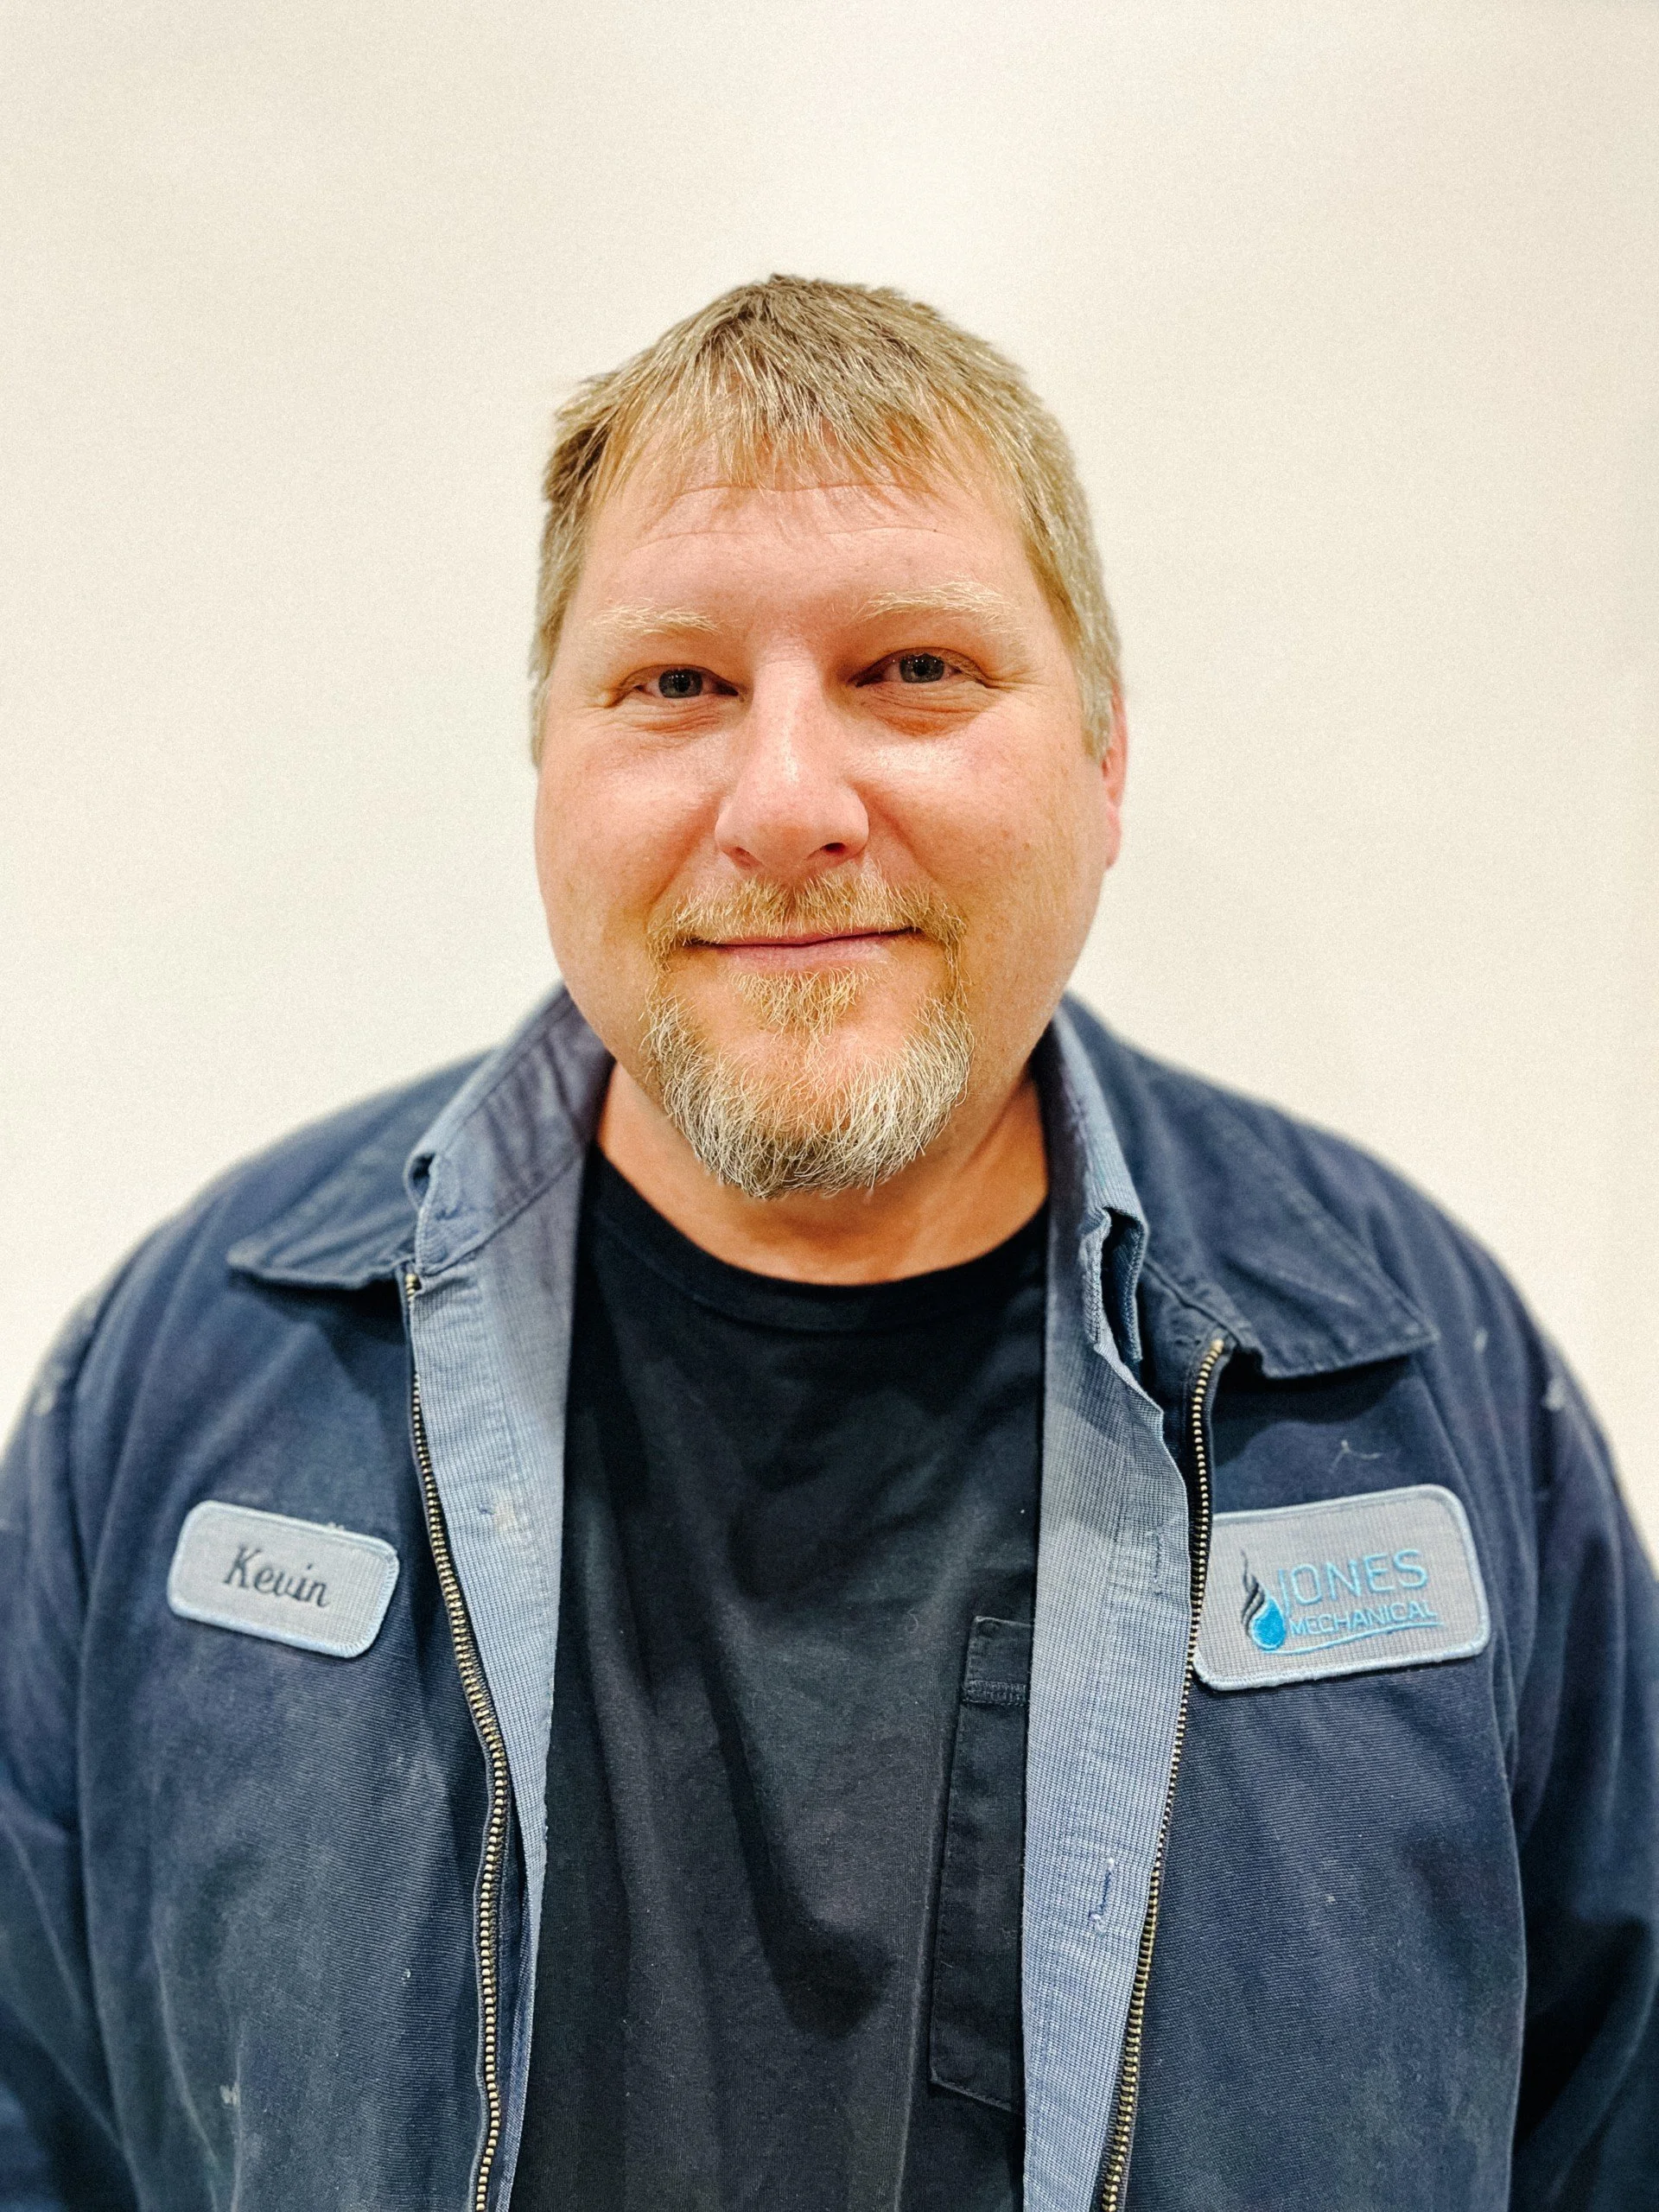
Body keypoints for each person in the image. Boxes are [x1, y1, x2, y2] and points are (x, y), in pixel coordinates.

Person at [1, 276, 1655, 2212]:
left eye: (916, 670)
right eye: (679, 685)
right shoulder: (198, 1382)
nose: (788, 804)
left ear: (1106, 762)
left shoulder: (1413, 1380)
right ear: (547, 763)